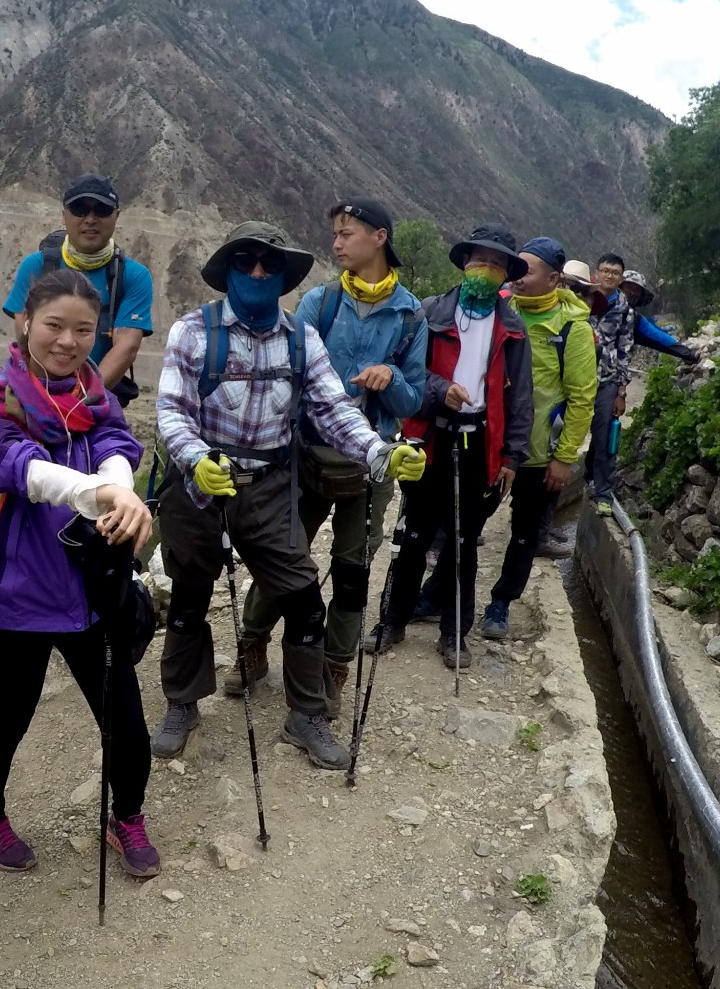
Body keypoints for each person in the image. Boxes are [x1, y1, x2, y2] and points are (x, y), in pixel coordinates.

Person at [150, 220, 427, 770]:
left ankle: (306, 715)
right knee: (187, 598)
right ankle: (182, 702)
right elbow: (171, 412)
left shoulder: (302, 339)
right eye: (246, 261)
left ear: (282, 276)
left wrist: (379, 453)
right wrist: (198, 461)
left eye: (269, 264)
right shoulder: (192, 333)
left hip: (272, 486)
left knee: (303, 601)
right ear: (227, 270)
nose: (257, 271)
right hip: (199, 484)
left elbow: (332, 409)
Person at [0, 269, 160, 876]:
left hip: (90, 593)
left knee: (127, 726)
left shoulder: (93, 395)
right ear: (25, 322)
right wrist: (102, 493)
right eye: (54, 325)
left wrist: (120, 489)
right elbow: (15, 466)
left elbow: (115, 441)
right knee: (9, 718)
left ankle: (125, 816)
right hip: (16, 596)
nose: (68, 341)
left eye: (83, 330)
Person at [232, 199, 426, 715]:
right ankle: (251, 647)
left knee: (352, 566)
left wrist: (393, 378)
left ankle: (334, 667)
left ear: (379, 237)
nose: (337, 243)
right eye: (335, 234)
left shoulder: (410, 315)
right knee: (285, 554)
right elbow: (292, 377)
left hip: (371, 462)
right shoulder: (321, 303)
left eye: (347, 233)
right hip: (307, 456)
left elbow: (414, 400)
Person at [382, 224, 533, 666]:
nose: (486, 269)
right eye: (479, 260)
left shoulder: (512, 327)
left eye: (497, 263)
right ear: (465, 262)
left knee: (464, 542)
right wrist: (439, 389)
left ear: (506, 273)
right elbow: (406, 373)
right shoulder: (431, 313)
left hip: (479, 440)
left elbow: (521, 395)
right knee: (413, 535)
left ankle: (454, 634)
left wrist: (512, 456)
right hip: (431, 437)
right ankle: (392, 620)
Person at [477, 237, 596, 637]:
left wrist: (563, 457)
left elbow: (581, 398)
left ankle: (501, 603)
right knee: (466, 523)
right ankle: (439, 590)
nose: (518, 277)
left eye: (527, 269)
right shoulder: (502, 310)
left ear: (554, 278)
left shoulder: (572, 329)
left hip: (538, 453)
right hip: (492, 445)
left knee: (525, 533)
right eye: (517, 268)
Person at [3, 174, 154, 403]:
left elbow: (126, 346)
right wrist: (40, 399)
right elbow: (24, 337)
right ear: (64, 214)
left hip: (96, 403)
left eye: (101, 210)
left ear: (116, 216)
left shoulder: (133, 276)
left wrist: (81, 402)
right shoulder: (36, 266)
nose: (90, 219)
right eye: (79, 209)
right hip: (34, 396)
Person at [585, 253, 636, 515]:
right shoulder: (584, 298)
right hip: (576, 380)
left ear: (620, 278)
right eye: (605, 270)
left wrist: (622, 390)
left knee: (606, 438)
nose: (609, 276)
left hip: (606, 381)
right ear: (596, 272)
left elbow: (625, 348)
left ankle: (603, 493)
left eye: (615, 272)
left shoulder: (625, 309)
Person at [625, 270, 700, 363]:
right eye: (628, 287)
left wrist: (689, 353)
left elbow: (657, 336)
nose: (631, 293)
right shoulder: (603, 303)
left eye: (636, 290)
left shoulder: (634, 319)